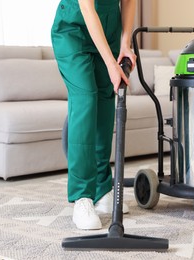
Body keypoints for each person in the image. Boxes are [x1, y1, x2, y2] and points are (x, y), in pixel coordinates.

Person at [51, 0, 136, 230]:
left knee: (105, 102)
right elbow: (88, 8)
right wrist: (111, 64)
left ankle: (102, 189)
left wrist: (125, 44)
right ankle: (82, 197)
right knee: (86, 98)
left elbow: (128, 1)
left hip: (107, 33)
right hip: (74, 31)